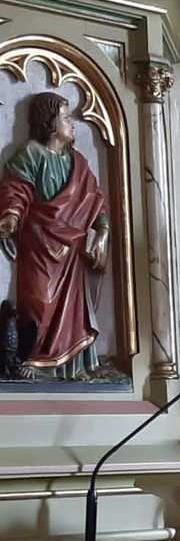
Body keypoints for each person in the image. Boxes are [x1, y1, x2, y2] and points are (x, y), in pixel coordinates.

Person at [0, 91, 110, 379]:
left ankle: (72, 365)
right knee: (38, 300)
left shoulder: (79, 163)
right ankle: (33, 356)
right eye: (66, 117)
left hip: (72, 251)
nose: (72, 123)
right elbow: (16, 189)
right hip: (38, 244)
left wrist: (102, 234)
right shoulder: (31, 153)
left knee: (73, 311)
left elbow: (97, 202)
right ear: (49, 122)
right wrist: (11, 216)